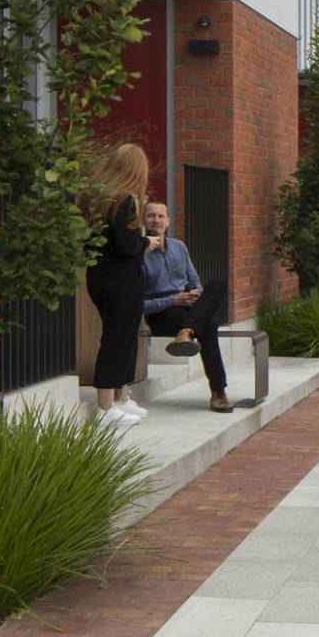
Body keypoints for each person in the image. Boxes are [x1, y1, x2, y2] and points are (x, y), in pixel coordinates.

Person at [83, 144, 153, 426]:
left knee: (122, 335)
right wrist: (147, 242)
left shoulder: (96, 196)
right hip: (122, 276)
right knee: (117, 337)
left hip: (100, 274)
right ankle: (106, 405)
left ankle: (121, 397)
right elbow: (127, 246)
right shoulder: (125, 200)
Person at [140, 200, 231, 412]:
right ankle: (218, 392)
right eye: (151, 215)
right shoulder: (139, 255)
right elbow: (138, 305)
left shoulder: (179, 247)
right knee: (209, 324)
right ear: (144, 221)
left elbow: (195, 280)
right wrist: (173, 300)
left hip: (189, 308)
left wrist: (194, 294)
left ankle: (187, 331)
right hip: (162, 313)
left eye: (161, 216)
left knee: (217, 285)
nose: (156, 220)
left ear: (168, 221)